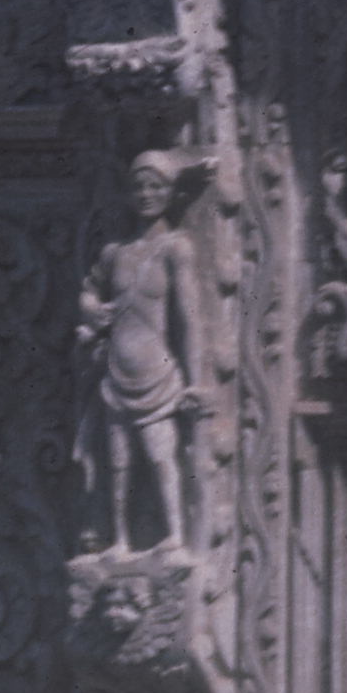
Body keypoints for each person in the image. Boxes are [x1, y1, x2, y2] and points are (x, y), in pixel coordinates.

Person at [78, 150, 208, 555]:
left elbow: (188, 318)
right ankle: (120, 539)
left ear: (171, 193)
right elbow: (89, 290)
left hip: (157, 370)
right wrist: (91, 309)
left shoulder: (175, 248)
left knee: (159, 455)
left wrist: (196, 382)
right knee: (118, 462)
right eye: (139, 187)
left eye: (156, 186)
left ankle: (175, 535)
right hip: (117, 371)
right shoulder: (115, 252)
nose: (147, 194)